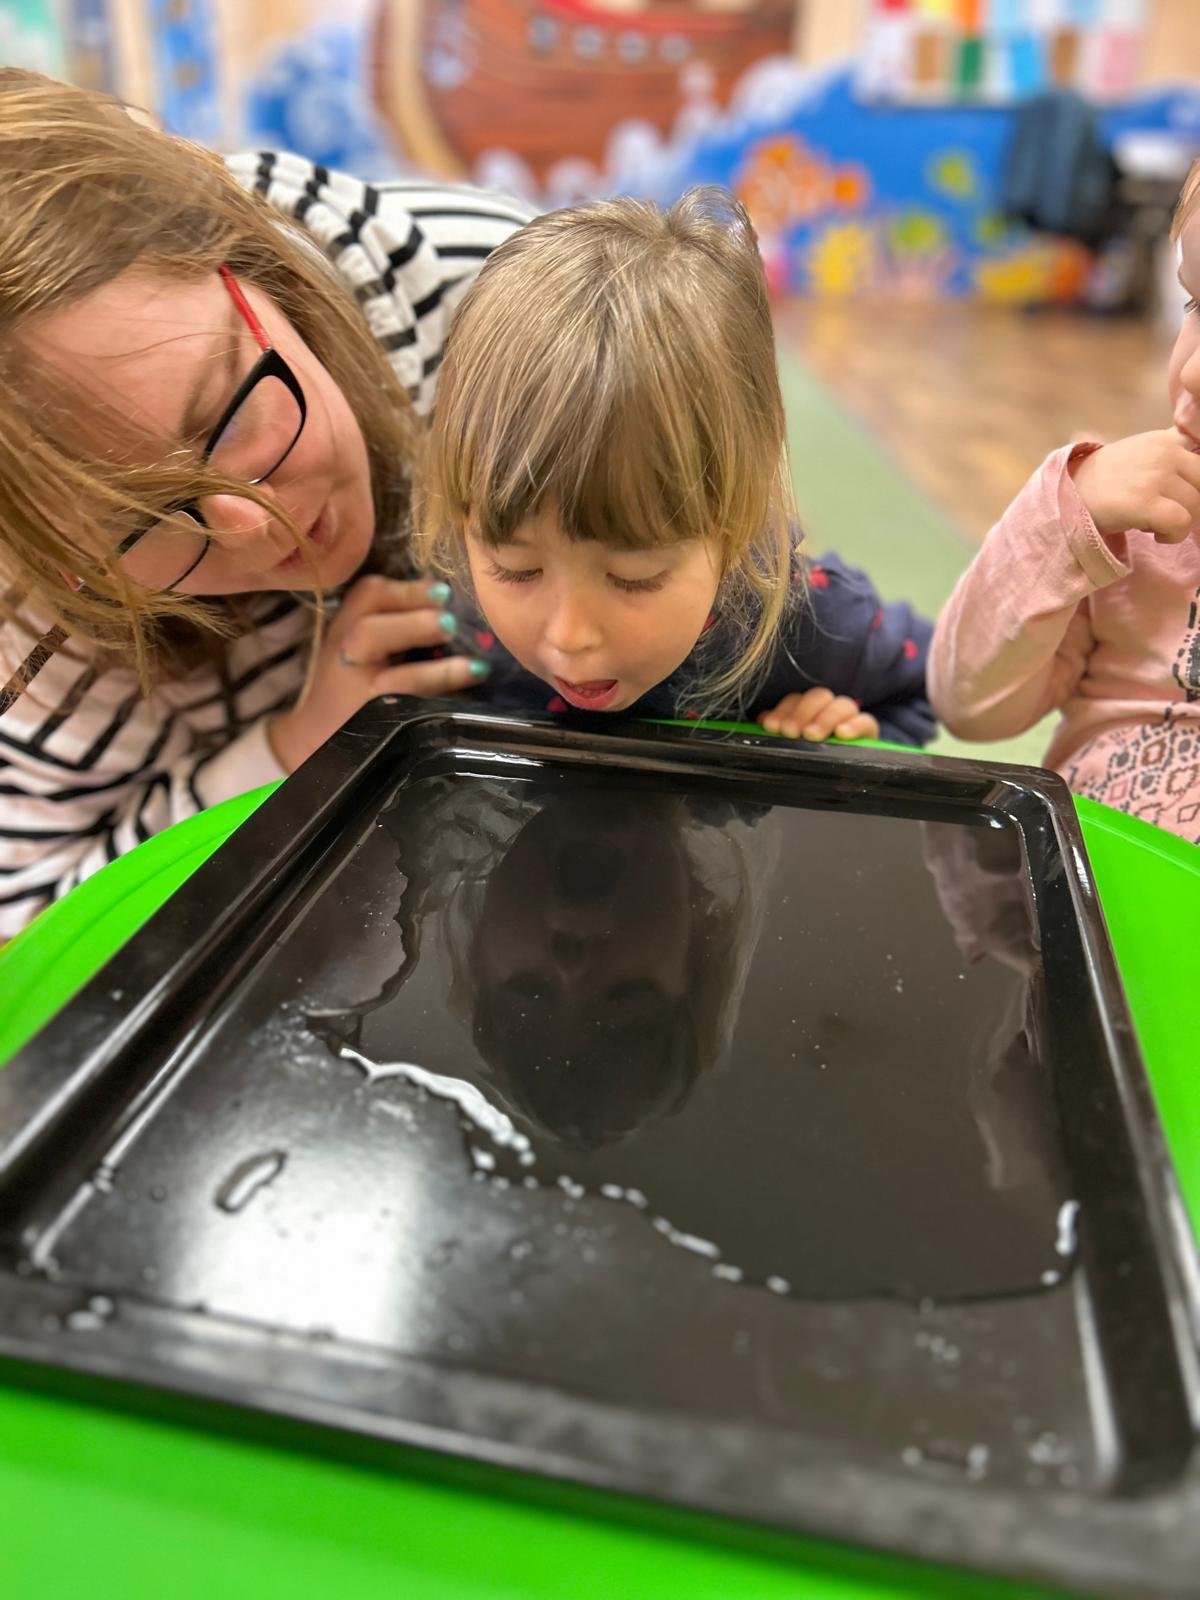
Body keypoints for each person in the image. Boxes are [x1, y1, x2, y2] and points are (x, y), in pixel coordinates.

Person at [0, 68, 535, 937]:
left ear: (249, 264)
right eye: (141, 520)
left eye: (229, 415)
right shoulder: (42, 625)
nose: (254, 527)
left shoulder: (495, 294)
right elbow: (28, 928)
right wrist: (289, 750)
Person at [414, 189, 936, 735]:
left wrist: (856, 741)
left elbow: (922, 692)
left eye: (633, 577)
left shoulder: (815, 626)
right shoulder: (447, 605)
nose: (569, 636)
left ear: (732, 521)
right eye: (516, 569)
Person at [929, 161, 1200, 844]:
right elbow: (971, 704)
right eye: (1196, 303)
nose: (1192, 370)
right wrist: (1061, 522)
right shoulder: (1128, 522)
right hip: (1079, 887)